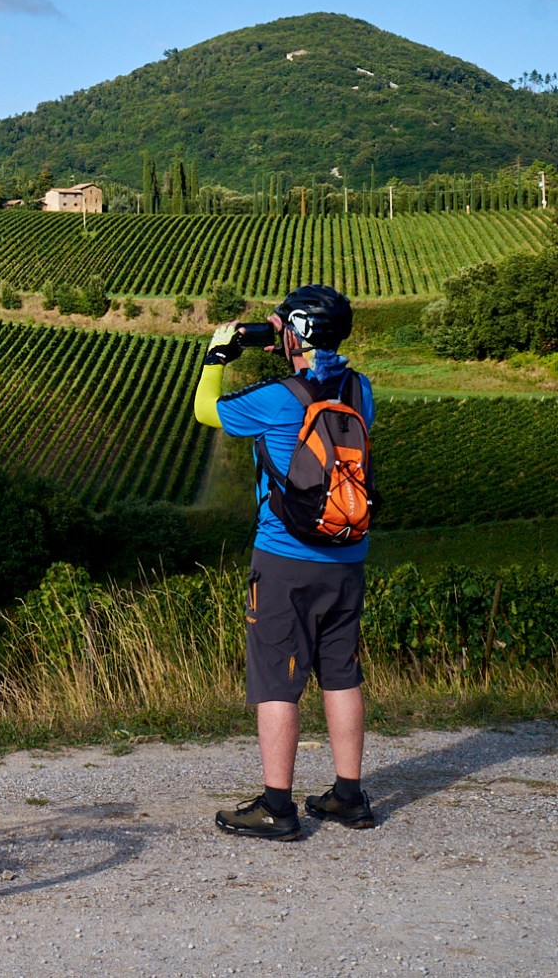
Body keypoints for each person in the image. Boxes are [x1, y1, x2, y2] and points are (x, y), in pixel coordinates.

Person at [193, 283, 378, 839]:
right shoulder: (361, 390)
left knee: (277, 679)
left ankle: (277, 807)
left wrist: (216, 358)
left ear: (297, 330)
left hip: (284, 558)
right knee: (340, 673)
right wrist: (289, 342)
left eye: (282, 326)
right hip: (348, 554)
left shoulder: (276, 399)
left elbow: (207, 412)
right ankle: (349, 796)